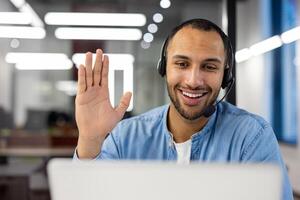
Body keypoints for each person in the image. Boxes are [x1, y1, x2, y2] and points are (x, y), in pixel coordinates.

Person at [73, 19, 293, 199]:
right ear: (164, 68)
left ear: (225, 76)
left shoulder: (252, 137)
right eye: (182, 64)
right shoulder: (125, 138)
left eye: (209, 67)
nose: (194, 80)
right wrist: (90, 141)